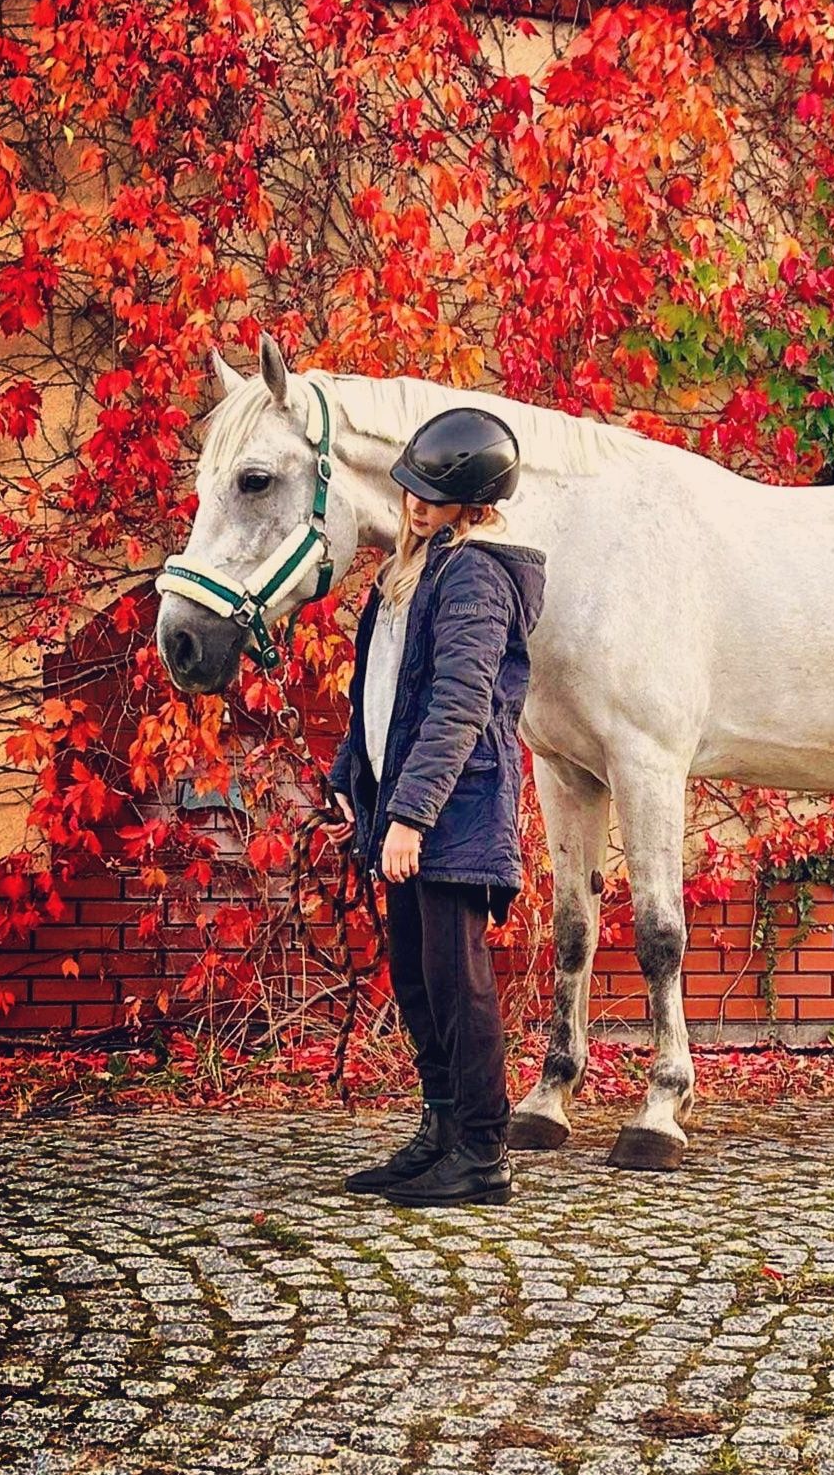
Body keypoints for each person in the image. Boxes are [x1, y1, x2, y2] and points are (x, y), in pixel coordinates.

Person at [324, 406, 546, 1207]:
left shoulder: (477, 576)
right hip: (402, 808)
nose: (415, 506)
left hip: (456, 809)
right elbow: (380, 700)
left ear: (476, 507)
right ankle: (441, 1130)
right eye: (411, 490)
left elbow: (457, 705)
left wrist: (412, 815)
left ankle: (483, 1153)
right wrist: (352, 785)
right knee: (419, 981)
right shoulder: (408, 575)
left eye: (434, 497)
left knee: (459, 982)